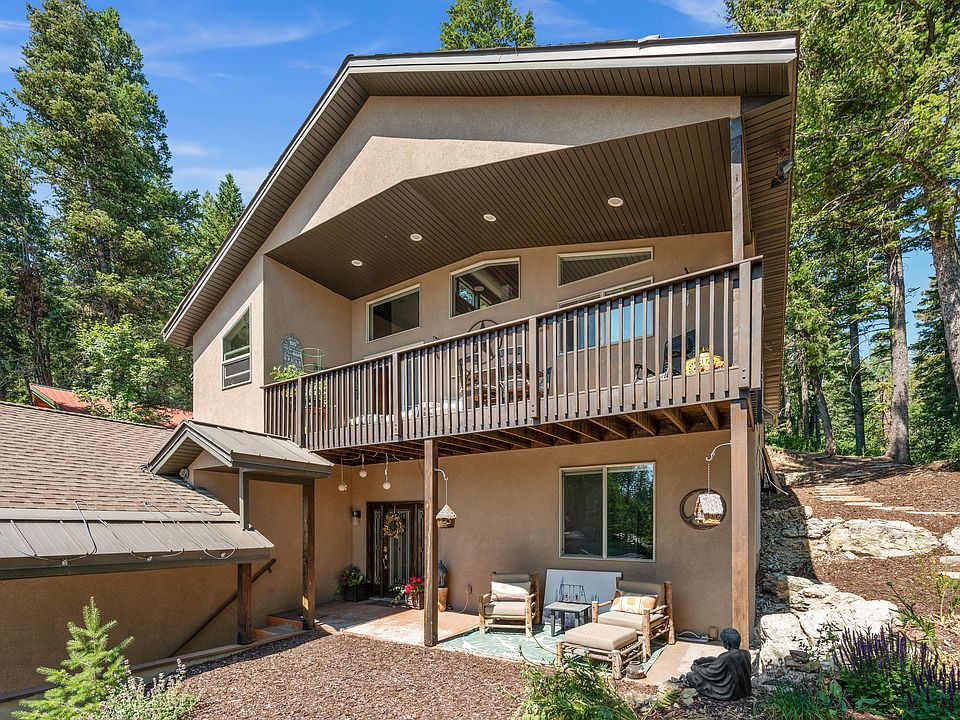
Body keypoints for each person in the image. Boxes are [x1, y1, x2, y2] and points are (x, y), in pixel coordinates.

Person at [684, 627, 752, 700]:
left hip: (730, 692)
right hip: (745, 691)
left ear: (727, 643)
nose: (722, 643)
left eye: (723, 642)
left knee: (690, 675)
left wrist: (696, 668)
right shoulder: (746, 653)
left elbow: (710, 672)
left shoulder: (726, 657)